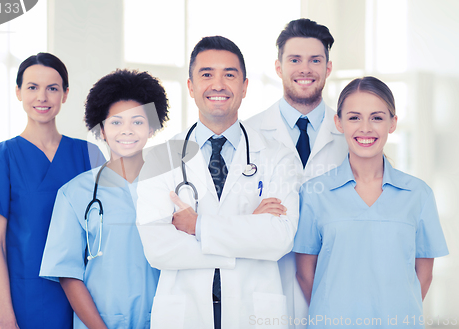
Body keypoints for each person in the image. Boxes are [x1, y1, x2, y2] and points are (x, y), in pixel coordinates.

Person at [136, 36, 298, 329]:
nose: (218, 84)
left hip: (254, 311)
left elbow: (279, 238)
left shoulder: (277, 156)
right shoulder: (160, 159)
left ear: (245, 86)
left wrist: (198, 226)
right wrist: (248, 229)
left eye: (230, 74)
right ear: (191, 87)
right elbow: (158, 249)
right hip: (185, 312)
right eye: (207, 74)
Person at [293, 76, 449, 328]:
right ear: (339, 122)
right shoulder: (314, 193)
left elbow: (425, 274)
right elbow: (304, 273)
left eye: (377, 117)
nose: (365, 128)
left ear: (392, 123)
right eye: (354, 117)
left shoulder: (418, 194)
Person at [0, 52, 104, 329]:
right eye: (32, 87)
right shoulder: (3, 157)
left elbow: (109, 232)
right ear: (18, 92)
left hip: (83, 299)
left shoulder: (88, 154)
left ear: (65, 94)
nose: (42, 97)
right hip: (23, 302)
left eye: (52, 88)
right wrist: (6, 319)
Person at [39, 69, 169, 329]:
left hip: (166, 320)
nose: (127, 131)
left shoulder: (171, 187)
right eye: (116, 122)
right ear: (102, 129)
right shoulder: (75, 193)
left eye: (138, 122)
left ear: (152, 129)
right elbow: (68, 274)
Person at [245, 18, 348, 327]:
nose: (305, 69)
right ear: (278, 67)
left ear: (328, 68)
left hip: (333, 280)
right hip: (265, 282)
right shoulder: (247, 134)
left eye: (315, 60)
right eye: (295, 60)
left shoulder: (354, 135)